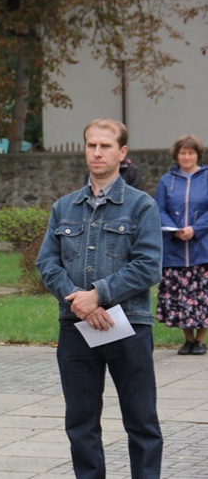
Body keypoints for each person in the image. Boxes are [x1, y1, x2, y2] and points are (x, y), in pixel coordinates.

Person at [36, 118, 163, 478]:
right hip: (76, 327)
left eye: (105, 146)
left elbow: (148, 266)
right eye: (91, 145)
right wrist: (79, 301)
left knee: (141, 422)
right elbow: (47, 261)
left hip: (130, 326)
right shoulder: (64, 208)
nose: (97, 152)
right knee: (80, 423)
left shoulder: (141, 207)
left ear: (122, 153)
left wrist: (100, 296)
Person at [155, 134, 208, 355]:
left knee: (202, 297)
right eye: (183, 153)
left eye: (191, 152)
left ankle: (201, 341)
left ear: (198, 154)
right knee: (181, 297)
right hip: (174, 249)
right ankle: (188, 339)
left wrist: (195, 230)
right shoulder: (167, 181)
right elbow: (158, 209)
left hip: (202, 248)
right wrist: (175, 230)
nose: (187, 156)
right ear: (177, 155)